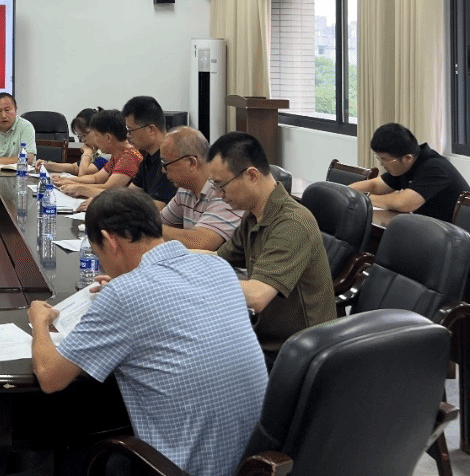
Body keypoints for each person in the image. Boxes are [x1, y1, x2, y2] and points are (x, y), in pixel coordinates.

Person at [28, 189, 267, 476]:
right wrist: (126, 284)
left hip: (180, 469)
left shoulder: (123, 294)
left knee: (78, 449)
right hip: (251, 463)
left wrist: (39, 321)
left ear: (109, 241)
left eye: (98, 253)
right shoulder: (218, 267)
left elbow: (50, 377)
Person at [207, 132, 336, 366]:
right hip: (265, 338)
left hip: (300, 353)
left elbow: (257, 296)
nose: (217, 194)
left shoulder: (293, 223)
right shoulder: (253, 216)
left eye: (221, 185)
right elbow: (216, 258)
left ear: (251, 175)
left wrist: (196, 282)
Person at [349, 123, 470, 221]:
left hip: (454, 235)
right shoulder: (405, 165)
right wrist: (346, 192)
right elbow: (375, 185)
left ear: (408, 158)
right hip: (429, 227)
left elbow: (403, 203)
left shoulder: (435, 168)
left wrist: (365, 198)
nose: (381, 164)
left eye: (385, 159)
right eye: (379, 158)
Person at [157, 126, 243, 251]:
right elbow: (159, 222)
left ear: (191, 162)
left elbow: (201, 243)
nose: (163, 170)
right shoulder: (185, 189)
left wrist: (150, 228)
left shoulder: (223, 191)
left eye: (166, 164)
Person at [52, 110, 142, 199]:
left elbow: (109, 190)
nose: (94, 140)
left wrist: (79, 188)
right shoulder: (118, 154)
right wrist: (67, 180)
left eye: (96, 135)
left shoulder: (129, 157)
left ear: (108, 138)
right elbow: (96, 178)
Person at [121, 95, 177, 205]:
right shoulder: (150, 157)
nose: (128, 135)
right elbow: (129, 194)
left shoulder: (171, 159)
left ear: (151, 129)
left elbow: (156, 208)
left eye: (131, 130)